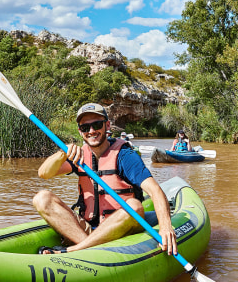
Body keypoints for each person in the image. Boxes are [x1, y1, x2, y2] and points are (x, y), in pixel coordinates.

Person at [34, 103, 177, 256]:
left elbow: (155, 190)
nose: (91, 131)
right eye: (85, 127)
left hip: (122, 227)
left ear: (107, 125)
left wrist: (166, 227)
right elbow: (44, 173)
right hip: (89, 229)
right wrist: (63, 153)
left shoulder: (124, 156)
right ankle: (89, 247)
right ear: (80, 131)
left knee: (134, 206)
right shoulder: (79, 155)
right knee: (42, 199)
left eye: (97, 124)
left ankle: (74, 250)